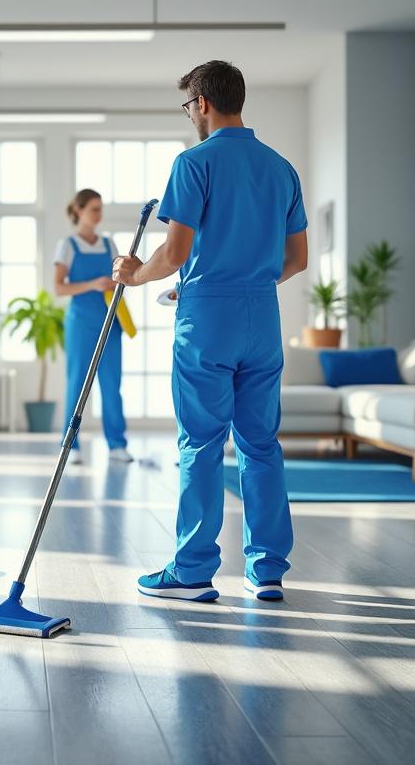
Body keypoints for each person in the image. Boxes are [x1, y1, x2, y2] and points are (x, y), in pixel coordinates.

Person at [113, 60, 308, 603]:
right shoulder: (281, 168)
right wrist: (244, 280)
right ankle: (266, 570)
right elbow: (297, 258)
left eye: (188, 106)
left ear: (201, 103)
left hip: (207, 323)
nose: (190, 115)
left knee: (201, 442)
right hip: (262, 318)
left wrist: (135, 274)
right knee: (261, 443)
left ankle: (193, 571)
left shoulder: (192, 162)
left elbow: (173, 253)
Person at [53, 189, 133, 465]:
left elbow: (117, 277)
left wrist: (117, 280)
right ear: (78, 210)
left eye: (101, 209)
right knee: (76, 384)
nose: (99, 215)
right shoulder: (67, 245)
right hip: (80, 325)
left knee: (112, 385)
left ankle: (117, 444)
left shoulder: (109, 244)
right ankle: (70, 446)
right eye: (94, 209)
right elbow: (58, 287)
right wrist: (91, 284)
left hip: (110, 323)